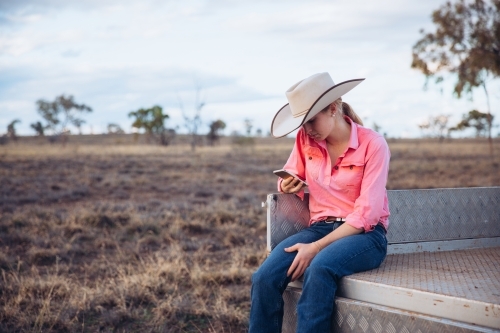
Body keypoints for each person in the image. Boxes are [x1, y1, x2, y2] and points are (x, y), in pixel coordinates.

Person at [249, 72, 390, 333]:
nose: (306, 130)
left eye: (311, 121)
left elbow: (367, 216)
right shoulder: (306, 140)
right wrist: (286, 184)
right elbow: (290, 174)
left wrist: (314, 247)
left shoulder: (373, 144)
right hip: (320, 227)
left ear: (333, 109)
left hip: (365, 236)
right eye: (301, 124)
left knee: (321, 268)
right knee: (264, 278)